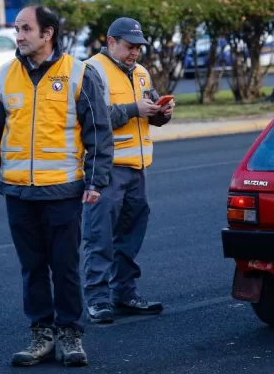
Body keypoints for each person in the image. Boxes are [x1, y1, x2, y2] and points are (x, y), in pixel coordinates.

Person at [0, 5, 114, 367]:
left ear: (47, 33)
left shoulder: (78, 74)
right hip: (19, 193)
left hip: (63, 192)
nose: (18, 36)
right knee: (32, 267)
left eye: (24, 29)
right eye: (17, 29)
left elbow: (97, 131)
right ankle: (41, 333)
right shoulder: (4, 77)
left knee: (65, 266)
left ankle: (70, 333)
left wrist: (96, 179)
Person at [81, 17, 174, 324]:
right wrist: (135, 109)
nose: (135, 52)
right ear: (110, 42)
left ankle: (124, 292)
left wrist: (162, 113)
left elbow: (149, 113)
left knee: (130, 234)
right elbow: (93, 116)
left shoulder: (142, 73)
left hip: (137, 169)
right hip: (106, 169)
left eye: (138, 47)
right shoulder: (92, 71)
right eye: (129, 46)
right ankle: (97, 299)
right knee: (100, 236)